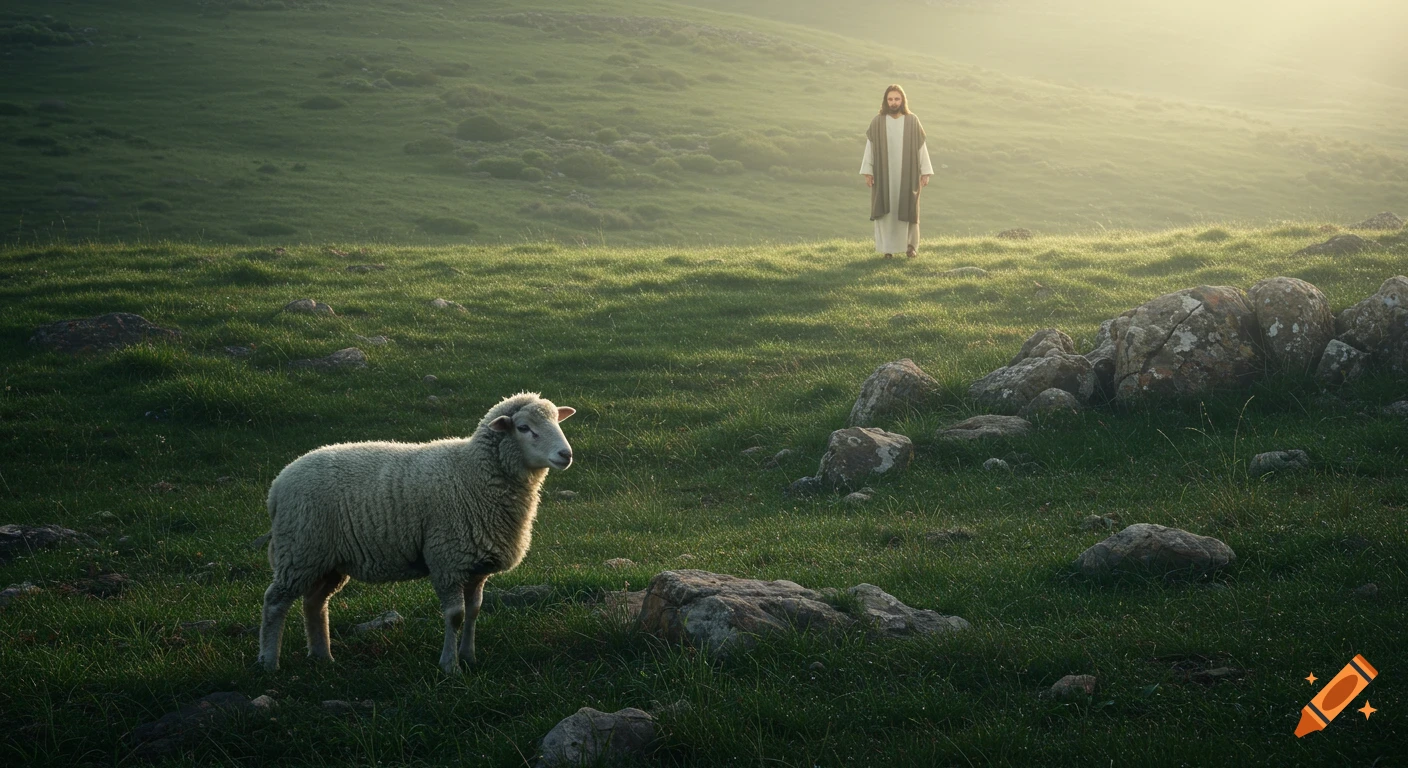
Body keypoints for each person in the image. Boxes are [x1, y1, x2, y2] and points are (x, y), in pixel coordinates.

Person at [859, 84, 933, 258]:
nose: (893, 102)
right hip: (883, 175)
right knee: (886, 210)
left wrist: (925, 171)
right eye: (890, 99)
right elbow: (869, 148)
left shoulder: (912, 121)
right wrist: (868, 171)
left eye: (897, 99)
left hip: (908, 174)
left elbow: (921, 148)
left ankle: (911, 247)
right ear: (886, 101)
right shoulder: (877, 122)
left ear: (903, 100)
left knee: (909, 208)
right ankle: (887, 249)